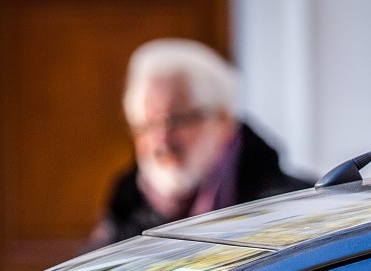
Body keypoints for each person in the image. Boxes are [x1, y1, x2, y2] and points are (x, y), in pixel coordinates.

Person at [88, 39, 311, 249]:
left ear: (222, 119)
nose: (161, 141)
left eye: (173, 121)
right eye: (145, 126)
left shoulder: (294, 206)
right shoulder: (122, 213)